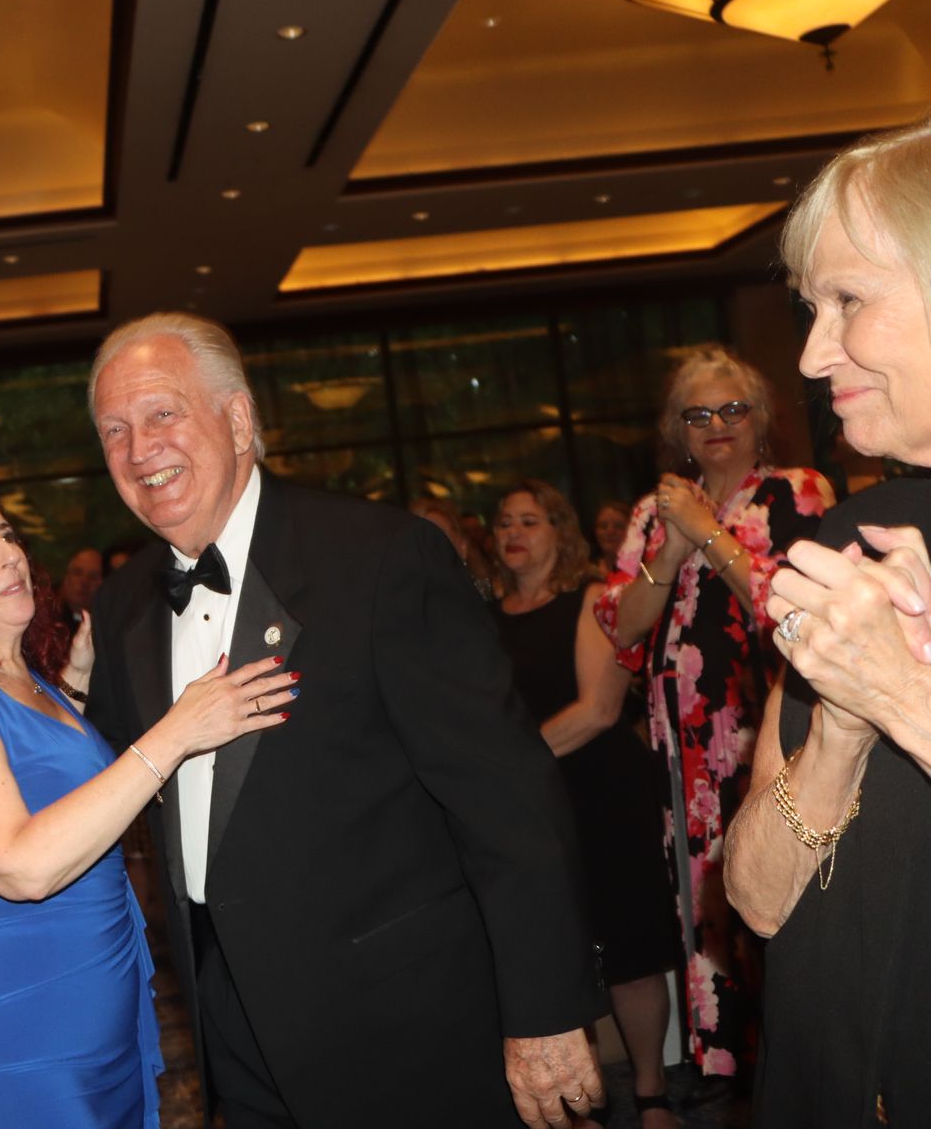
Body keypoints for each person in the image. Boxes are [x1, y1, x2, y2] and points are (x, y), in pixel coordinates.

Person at [85, 313, 604, 1128]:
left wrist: (543, 1009)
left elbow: (507, 799)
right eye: (114, 429)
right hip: (232, 1023)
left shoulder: (379, 560)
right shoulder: (121, 607)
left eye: (161, 413)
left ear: (241, 419)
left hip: (403, 1020)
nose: (138, 448)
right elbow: (107, 768)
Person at [0, 476, 291, 1127]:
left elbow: (41, 776)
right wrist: (176, 733)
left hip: (87, 1021)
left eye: (6, 536)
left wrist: (77, 683)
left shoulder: (25, 680)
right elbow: (22, 867)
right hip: (2, 1032)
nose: (8, 555)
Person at [725, 116, 931, 1124]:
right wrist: (840, 732)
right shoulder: (855, 537)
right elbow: (758, 898)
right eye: (812, 307)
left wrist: (899, 690)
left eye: (848, 299)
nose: (812, 353)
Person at [592, 345, 833, 1076]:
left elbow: (784, 598)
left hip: (770, 735)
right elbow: (623, 625)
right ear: (678, 430)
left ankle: (807, 1071)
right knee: (707, 912)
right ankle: (737, 1075)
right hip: (683, 754)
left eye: (733, 409)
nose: (717, 425)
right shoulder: (654, 509)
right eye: (698, 415)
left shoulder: (798, 491)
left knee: (776, 900)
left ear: (762, 421)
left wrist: (705, 530)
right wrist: (669, 547)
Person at [493, 481, 682, 1129]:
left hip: (600, 789)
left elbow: (600, 710)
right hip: (531, 805)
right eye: (504, 523)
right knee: (558, 951)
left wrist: (509, 764)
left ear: (560, 532)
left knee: (628, 947)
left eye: (530, 521)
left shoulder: (594, 600)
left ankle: (653, 1094)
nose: (513, 532)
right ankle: (582, 1102)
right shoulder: (484, 616)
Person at [411, 495, 495, 598]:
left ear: (462, 547)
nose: (430, 547)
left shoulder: (483, 602)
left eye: (439, 537)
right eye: (421, 539)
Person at [56, 546, 104, 629]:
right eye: (77, 573)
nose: (84, 582)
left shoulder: (105, 626)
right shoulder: (48, 621)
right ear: (66, 578)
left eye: (93, 576)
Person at [592, 500, 632, 577]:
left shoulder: (641, 570)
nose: (610, 532)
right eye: (603, 526)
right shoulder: (587, 572)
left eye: (618, 526)